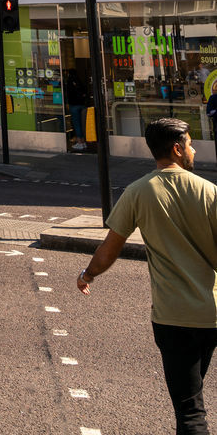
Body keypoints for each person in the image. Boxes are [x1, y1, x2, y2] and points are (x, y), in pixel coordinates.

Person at [77, 118, 217, 434]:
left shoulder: (138, 192)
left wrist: (88, 275)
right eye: (191, 144)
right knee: (191, 398)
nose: (193, 150)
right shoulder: (210, 192)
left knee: (190, 412)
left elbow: (109, 250)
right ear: (178, 149)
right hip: (211, 313)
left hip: (173, 317)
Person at [65, 68, 89, 151]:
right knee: (83, 124)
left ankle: (79, 142)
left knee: (77, 124)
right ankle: (84, 142)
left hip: (74, 105)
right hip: (82, 105)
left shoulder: (69, 82)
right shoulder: (79, 81)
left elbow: (69, 94)